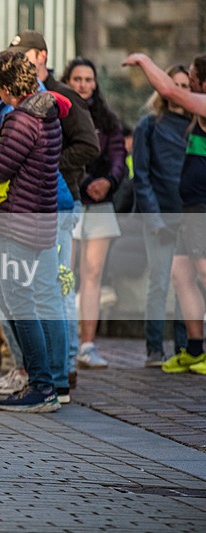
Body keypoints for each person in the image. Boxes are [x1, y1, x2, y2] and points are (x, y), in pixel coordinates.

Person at [6, 30, 100, 390]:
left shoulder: (64, 95)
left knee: (56, 287)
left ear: (42, 56)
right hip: (35, 204)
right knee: (35, 290)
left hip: (60, 199)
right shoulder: (25, 97)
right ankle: (40, 370)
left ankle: (65, 367)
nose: (19, 60)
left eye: (25, 54)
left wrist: (46, 163)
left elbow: (89, 145)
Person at [0, 50, 69, 412]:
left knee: (20, 303)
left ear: (7, 85)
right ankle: (56, 382)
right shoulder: (49, 114)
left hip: (19, 221)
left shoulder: (20, 119)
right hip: (44, 218)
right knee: (45, 299)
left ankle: (41, 386)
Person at [124, 53, 206, 374]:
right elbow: (143, 174)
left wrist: (144, 60)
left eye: (192, 79)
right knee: (178, 277)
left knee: (201, 274)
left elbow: (171, 92)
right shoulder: (155, 124)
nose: (189, 85)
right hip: (183, 210)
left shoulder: (201, 107)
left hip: (199, 209)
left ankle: (195, 348)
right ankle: (190, 350)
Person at [61, 57, 126, 370]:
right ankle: (65, 342)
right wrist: (86, 182)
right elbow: (63, 154)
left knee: (93, 273)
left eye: (88, 79)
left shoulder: (108, 119)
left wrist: (109, 181)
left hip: (101, 203)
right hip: (72, 197)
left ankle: (88, 344)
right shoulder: (60, 113)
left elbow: (118, 155)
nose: (83, 84)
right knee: (66, 272)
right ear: (68, 81)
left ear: (95, 83)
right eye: (77, 79)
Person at [132, 65, 191, 366]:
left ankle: (186, 349)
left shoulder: (197, 126)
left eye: (186, 86)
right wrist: (154, 219)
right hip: (160, 218)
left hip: (190, 219)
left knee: (187, 286)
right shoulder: (149, 126)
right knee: (159, 283)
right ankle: (154, 349)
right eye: (174, 84)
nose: (180, 90)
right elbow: (141, 176)